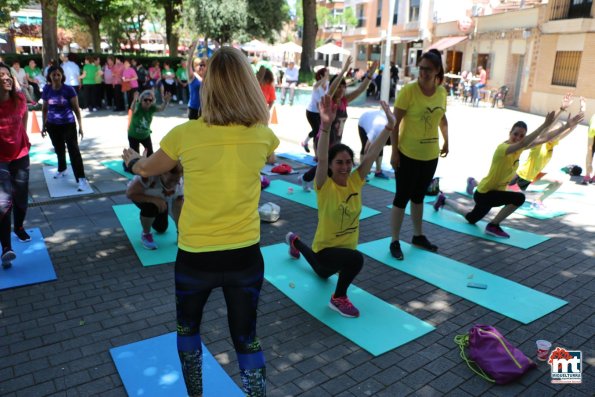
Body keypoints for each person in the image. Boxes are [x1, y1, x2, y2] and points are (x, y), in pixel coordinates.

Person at [121, 47, 279, 397]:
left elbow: (147, 168)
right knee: (247, 340)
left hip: (196, 257)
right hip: (245, 257)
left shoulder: (186, 134)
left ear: (208, 87)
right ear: (247, 86)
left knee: (188, 330)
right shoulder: (262, 135)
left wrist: (132, 162)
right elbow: (271, 155)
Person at [286, 99, 396, 318]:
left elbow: (372, 153)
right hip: (327, 250)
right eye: (339, 162)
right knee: (355, 259)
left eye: (348, 162)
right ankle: (338, 299)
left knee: (323, 274)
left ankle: (294, 241)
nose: (345, 167)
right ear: (330, 166)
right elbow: (324, 155)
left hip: (338, 255)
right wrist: (325, 127)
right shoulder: (324, 186)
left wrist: (389, 127)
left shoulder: (356, 181)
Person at [433, 112, 584, 238]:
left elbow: (544, 139)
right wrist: (544, 125)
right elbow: (524, 143)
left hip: (491, 193)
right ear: (509, 133)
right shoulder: (503, 148)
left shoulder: (518, 148)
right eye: (515, 134)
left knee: (472, 218)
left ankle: (444, 200)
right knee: (519, 198)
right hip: (485, 193)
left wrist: (566, 126)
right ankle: (493, 225)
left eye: (521, 135)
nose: (517, 137)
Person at [388, 49, 449, 260]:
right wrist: (394, 152)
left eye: (428, 69)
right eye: (421, 68)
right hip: (407, 154)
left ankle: (417, 235)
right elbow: (394, 125)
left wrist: (447, 140)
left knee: (419, 197)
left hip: (430, 155)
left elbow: (441, 118)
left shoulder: (442, 92)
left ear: (437, 71)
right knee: (401, 197)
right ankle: (394, 240)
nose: (423, 73)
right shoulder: (409, 91)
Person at [299, 58, 378, 191]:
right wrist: (343, 70)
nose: (341, 89)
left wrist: (370, 74)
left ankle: (307, 179)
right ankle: (306, 179)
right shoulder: (329, 100)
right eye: (339, 86)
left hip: (336, 139)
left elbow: (360, 89)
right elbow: (332, 89)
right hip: (325, 138)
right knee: (325, 164)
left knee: (328, 164)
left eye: (343, 86)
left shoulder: (344, 101)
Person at [512, 94, 585, 206]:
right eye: (554, 132)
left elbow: (571, 128)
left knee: (558, 181)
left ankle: (538, 201)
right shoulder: (539, 142)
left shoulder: (553, 143)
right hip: (521, 177)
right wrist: (561, 109)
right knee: (498, 192)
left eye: (558, 133)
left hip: (534, 177)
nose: (556, 135)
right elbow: (547, 124)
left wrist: (582, 110)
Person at [0, 62, 31, 269]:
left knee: (21, 198)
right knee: (3, 202)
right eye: (1, 75)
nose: (6, 78)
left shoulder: (19, 98)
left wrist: (24, 135)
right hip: (0, 159)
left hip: (20, 155)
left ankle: (19, 226)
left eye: (7, 74)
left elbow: (25, 115)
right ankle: (6, 249)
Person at [41, 65, 90, 192]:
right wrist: (43, 125)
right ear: (49, 76)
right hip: (52, 125)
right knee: (58, 148)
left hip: (68, 124)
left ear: (62, 76)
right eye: (54, 75)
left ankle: (81, 179)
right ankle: (62, 169)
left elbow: (76, 109)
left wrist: (80, 126)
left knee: (74, 151)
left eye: (58, 74)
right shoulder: (46, 89)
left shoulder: (69, 90)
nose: (56, 77)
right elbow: (45, 108)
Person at [126, 163, 183, 250]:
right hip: (140, 196)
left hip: (162, 198)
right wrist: (153, 200)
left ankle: (151, 216)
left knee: (161, 229)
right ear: (162, 173)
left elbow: (177, 209)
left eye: (176, 180)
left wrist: (180, 232)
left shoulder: (180, 184)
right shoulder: (148, 177)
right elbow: (130, 194)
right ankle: (146, 234)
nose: (173, 184)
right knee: (151, 207)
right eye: (170, 180)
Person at [127, 90, 171, 157]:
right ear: (141, 100)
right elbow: (132, 109)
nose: (148, 102)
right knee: (135, 156)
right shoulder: (138, 106)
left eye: (150, 100)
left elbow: (161, 108)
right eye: (145, 100)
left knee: (150, 154)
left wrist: (165, 101)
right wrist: (135, 100)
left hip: (145, 135)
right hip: (133, 136)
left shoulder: (152, 108)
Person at [358, 109, 391, 179]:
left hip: (377, 118)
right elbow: (366, 149)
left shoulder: (393, 131)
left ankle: (378, 171)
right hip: (364, 120)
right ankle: (361, 172)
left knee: (379, 146)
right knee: (364, 145)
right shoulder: (377, 130)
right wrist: (367, 168)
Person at [302, 67, 329, 153]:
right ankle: (315, 152)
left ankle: (305, 143)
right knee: (317, 130)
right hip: (311, 112)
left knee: (318, 131)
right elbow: (316, 85)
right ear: (321, 76)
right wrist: (322, 79)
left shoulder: (328, 84)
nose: (328, 75)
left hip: (321, 112)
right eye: (326, 73)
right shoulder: (316, 85)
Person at [186, 41, 206, 120]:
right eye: (199, 65)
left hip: (205, 109)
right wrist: (191, 52)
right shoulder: (193, 76)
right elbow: (188, 64)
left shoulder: (207, 78)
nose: (201, 67)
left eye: (203, 65)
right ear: (194, 67)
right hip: (193, 109)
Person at [583, 112, 595, 185]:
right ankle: (587, 174)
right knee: (590, 151)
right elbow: (589, 148)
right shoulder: (593, 127)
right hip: (592, 132)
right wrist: (589, 165)